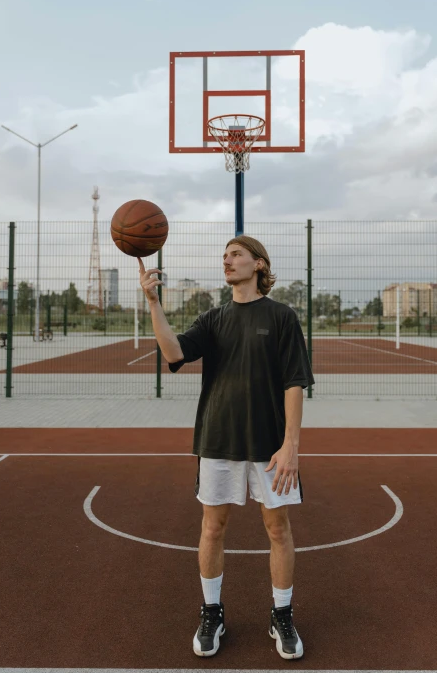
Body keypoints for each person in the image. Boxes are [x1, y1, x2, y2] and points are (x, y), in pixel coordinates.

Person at [138, 235, 314, 661]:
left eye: (236, 254)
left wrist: (292, 444)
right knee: (212, 528)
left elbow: (295, 382)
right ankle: (212, 612)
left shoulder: (282, 316)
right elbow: (174, 352)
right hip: (218, 439)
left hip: (270, 444)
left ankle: (282, 615)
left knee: (278, 530)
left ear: (258, 264)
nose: (227, 260)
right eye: (225, 256)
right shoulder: (214, 319)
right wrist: (152, 303)